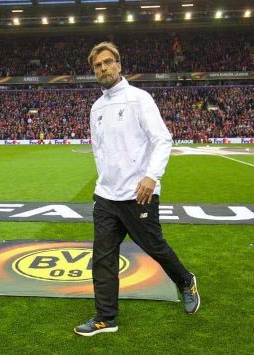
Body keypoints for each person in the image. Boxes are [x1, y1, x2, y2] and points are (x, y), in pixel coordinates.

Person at [74, 42, 199, 337]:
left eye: (107, 62)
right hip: (106, 196)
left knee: (154, 246)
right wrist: (104, 182)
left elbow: (163, 139)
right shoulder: (96, 107)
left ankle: (185, 281)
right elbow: (100, 151)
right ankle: (106, 318)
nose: (103, 68)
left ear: (119, 64)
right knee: (103, 257)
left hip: (138, 194)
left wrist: (150, 177)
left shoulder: (139, 98)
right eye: (97, 66)